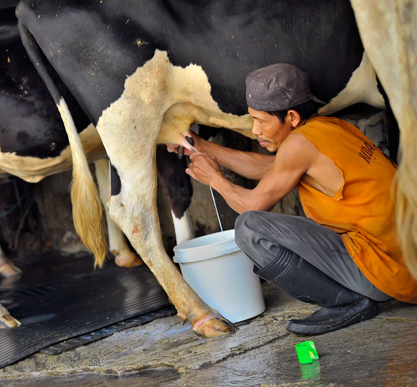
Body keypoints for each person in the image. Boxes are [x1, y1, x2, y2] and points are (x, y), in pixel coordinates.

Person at [169, 63, 417, 335]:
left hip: (385, 274)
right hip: (403, 264)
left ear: (292, 117)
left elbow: (252, 206)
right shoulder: (328, 128)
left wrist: (215, 179)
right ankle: (352, 297)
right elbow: (270, 168)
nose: (255, 131)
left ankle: (348, 303)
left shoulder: (298, 146)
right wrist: (200, 145)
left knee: (250, 228)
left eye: (261, 121)